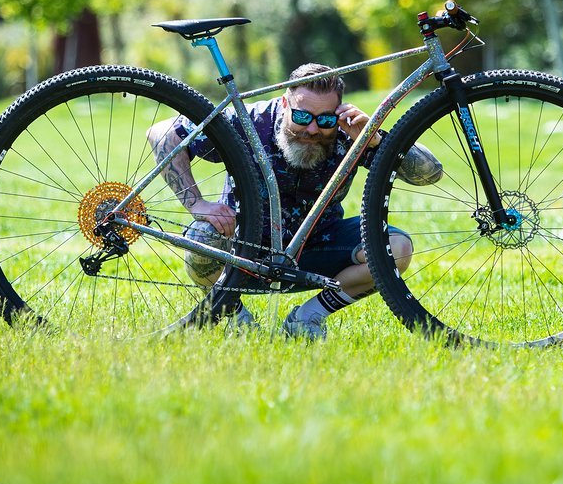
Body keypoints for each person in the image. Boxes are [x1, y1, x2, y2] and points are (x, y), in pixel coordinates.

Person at [147, 63, 442, 340]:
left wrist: (376, 138)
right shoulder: (249, 122)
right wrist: (196, 204)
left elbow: (431, 174)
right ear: (286, 103)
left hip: (317, 251)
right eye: (302, 117)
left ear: (338, 112)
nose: (312, 130)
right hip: (241, 254)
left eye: (324, 120)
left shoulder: (347, 133)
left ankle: (307, 317)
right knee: (203, 238)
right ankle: (235, 317)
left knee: (398, 248)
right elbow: (161, 133)